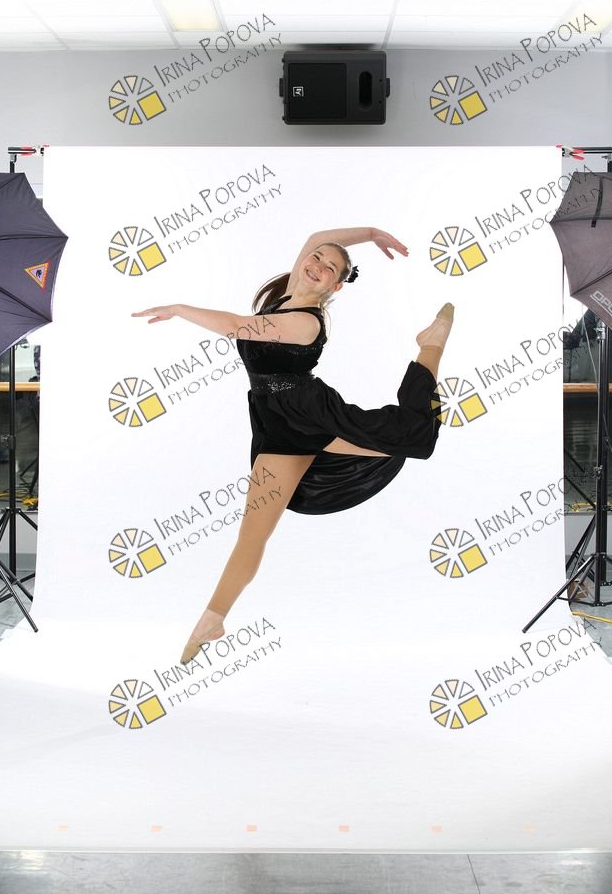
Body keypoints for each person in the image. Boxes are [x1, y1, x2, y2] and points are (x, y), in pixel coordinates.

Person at [132, 227, 454, 664]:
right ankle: (213, 619)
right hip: (275, 423)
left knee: (416, 434)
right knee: (253, 533)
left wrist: (178, 308)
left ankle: (430, 346)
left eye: (330, 269)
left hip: (309, 416)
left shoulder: (306, 321)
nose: (317, 266)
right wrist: (370, 234)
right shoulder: (287, 293)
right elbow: (319, 237)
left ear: (336, 287)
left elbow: (236, 327)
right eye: (315, 258)